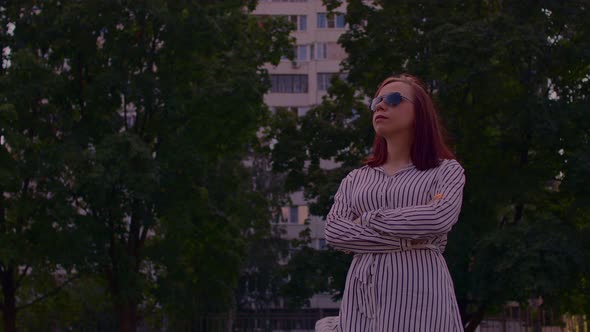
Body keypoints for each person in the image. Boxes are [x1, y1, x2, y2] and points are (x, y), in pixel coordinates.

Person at [315, 73, 466, 331]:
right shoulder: (356, 179)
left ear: (420, 113)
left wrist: (369, 219)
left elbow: (439, 217)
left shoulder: (446, 171)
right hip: (363, 302)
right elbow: (335, 231)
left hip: (422, 298)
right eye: (376, 102)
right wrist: (413, 240)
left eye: (394, 99)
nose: (381, 105)